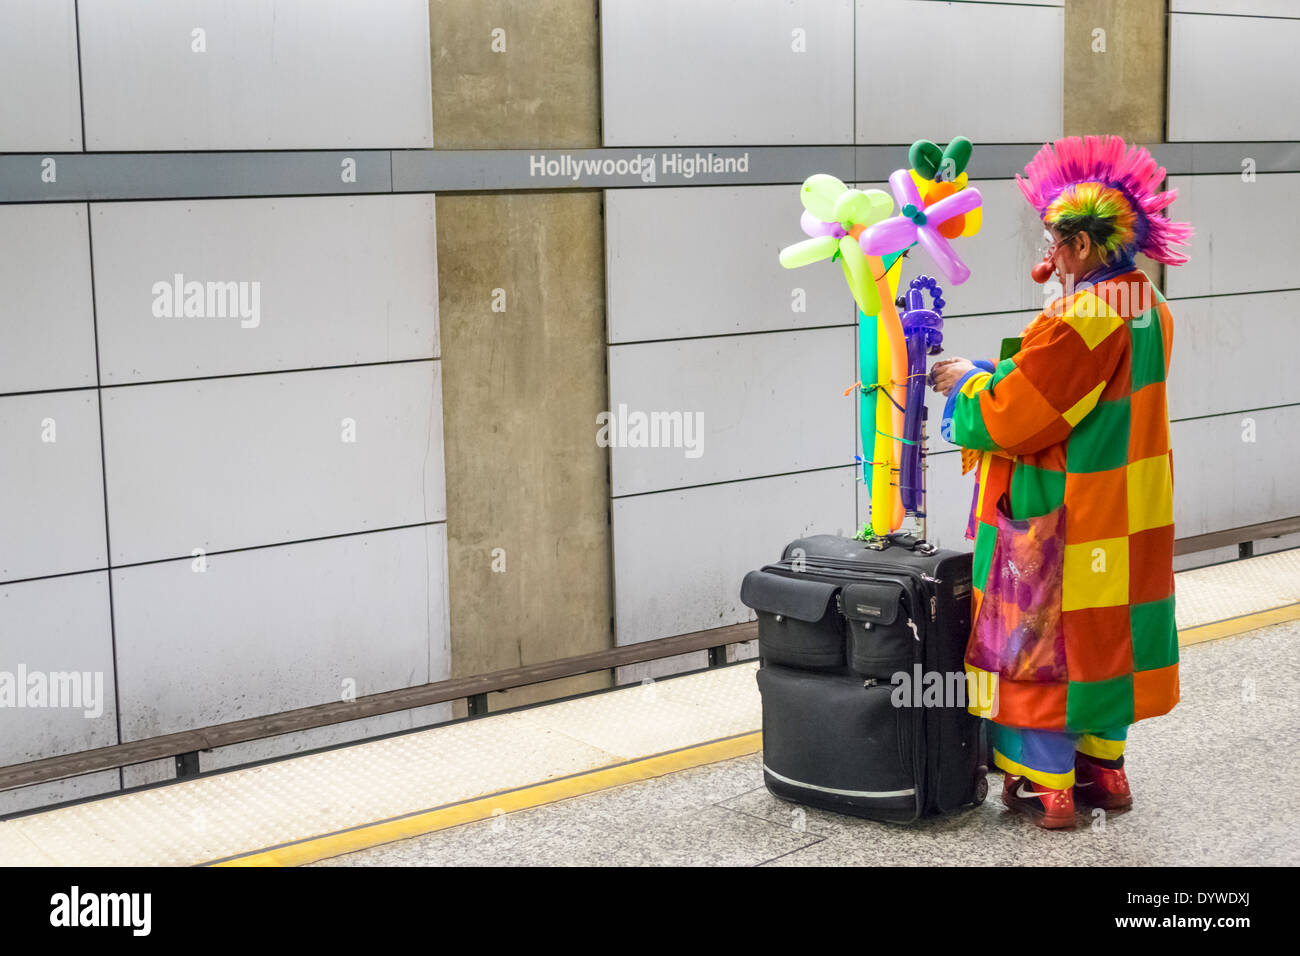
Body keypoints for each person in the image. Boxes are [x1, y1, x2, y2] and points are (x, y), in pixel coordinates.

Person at [929, 136, 1193, 830]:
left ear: (1076, 247)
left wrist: (968, 384)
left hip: (1065, 514)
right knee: (1112, 635)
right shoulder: (1147, 304)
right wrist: (1000, 368)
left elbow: (1017, 417)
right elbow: (1079, 393)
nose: (1044, 252)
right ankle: (1105, 769)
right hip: (1129, 511)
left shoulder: (1082, 316)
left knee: (1041, 641)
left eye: (1051, 237)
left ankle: (1048, 786)